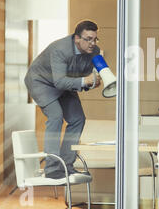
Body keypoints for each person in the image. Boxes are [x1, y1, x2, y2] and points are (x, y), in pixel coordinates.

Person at [24, 20, 102, 179]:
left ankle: (67, 165)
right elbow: (60, 81)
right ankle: (52, 169)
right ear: (77, 39)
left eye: (95, 39)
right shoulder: (60, 49)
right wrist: (84, 81)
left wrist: (92, 83)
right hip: (41, 82)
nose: (92, 43)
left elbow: (83, 78)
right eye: (88, 39)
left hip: (66, 84)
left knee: (78, 119)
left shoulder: (94, 52)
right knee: (56, 116)